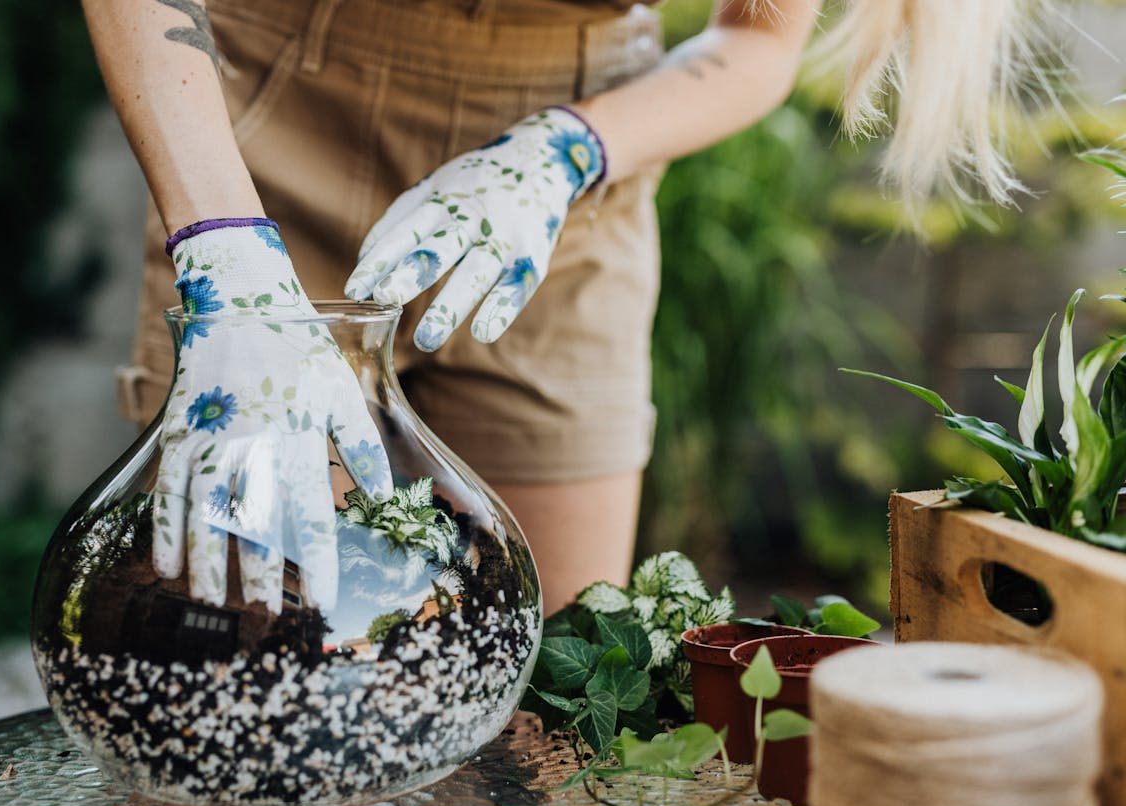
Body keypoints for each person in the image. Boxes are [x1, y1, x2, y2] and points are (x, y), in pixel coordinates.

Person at [82, 0, 1045, 614]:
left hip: (571, 156)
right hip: (278, 118)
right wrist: (221, 241)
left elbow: (758, 41)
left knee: (554, 700)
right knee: (243, 677)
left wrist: (561, 155)